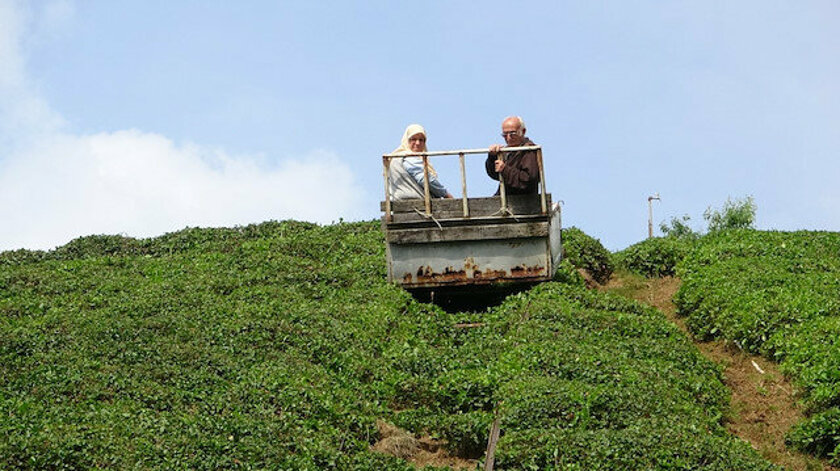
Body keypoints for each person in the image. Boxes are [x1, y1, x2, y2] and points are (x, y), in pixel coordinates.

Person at [388, 124, 454, 200]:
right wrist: (446, 195)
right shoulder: (408, 158)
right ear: (406, 140)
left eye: (421, 140)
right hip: (415, 206)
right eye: (413, 139)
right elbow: (425, 179)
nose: (418, 143)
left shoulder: (394, 158)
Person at [485, 116, 539, 195]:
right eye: (505, 135)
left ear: (523, 132)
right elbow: (494, 174)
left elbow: (528, 180)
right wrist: (492, 157)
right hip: (506, 199)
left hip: (522, 202)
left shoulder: (529, 151)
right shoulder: (507, 151)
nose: (508, 138)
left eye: (512, 134)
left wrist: (505, 169)